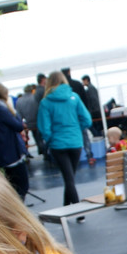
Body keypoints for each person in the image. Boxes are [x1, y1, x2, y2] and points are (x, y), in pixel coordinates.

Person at [38, 71, 93, 215]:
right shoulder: (74, 97)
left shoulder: (46, 102)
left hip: (58, 144)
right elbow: (87, 120)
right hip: (75, 143)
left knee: (69, 178)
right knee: (70, 177)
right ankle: (66, 206)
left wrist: (50, 140)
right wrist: (76, 130)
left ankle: (78, 212)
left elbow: (44, 127)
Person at [0, 83, 30, 201]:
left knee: (12, 183)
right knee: (23, 185)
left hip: (2, 153)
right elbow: (18, 126)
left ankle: (14, 209)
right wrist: (14, 111)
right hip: (12, 152)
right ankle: (18, 210)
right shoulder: (1, 111)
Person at [62, 67, 94, 164]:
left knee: (71, 137)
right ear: (69, 72)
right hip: (79, 116)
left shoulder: (61, 88)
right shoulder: (77, 84)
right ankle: (89, 156)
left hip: (67, 118)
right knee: (85, 136)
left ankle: (74, 159)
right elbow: (85, 99)